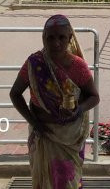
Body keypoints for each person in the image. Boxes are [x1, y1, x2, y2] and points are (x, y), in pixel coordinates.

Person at [10, 14, 100, 189]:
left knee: (68, 180)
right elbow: (15, 94)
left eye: (61, 37)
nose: (56, 43)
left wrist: (79, 110)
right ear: (43, 38)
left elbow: (94, 97)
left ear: (70, 38)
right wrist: (34, 122)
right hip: (42, 134)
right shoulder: (34, 63)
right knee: (43, 181)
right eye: (50, 37)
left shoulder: (78, 66)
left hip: (70, 137)